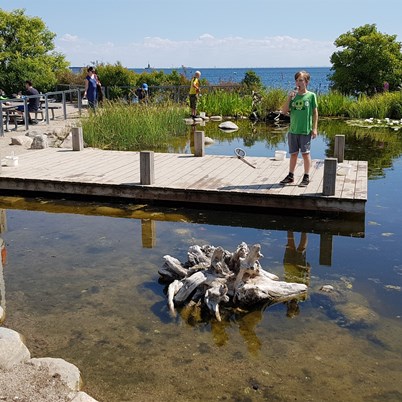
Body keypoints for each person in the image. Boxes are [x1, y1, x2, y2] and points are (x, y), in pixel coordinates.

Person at [279, 71, 318, 187]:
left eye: (301, 80)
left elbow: (315, 113)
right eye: (297, 80)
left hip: (305, 130)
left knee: (305, 154)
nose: (298, 83)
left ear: (306, 82)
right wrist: (289, 98)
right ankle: (290, 176)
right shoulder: (293, 96)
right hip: (293, 130)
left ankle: (306, 176)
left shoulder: (311, 96)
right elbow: (284, 111)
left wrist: (314, 128)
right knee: (293, 154)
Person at [283, 231, 311, 318]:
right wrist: (308, 273)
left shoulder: (285, 299)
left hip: (289, 269)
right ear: (297, 307)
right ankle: (304, 229)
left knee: (290, 245)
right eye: (293, 309)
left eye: (289, 309)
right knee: (301, 249)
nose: (291, 307)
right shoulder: (302, 298)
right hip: (300, 270)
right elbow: (306, 284)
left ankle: (289, 228)